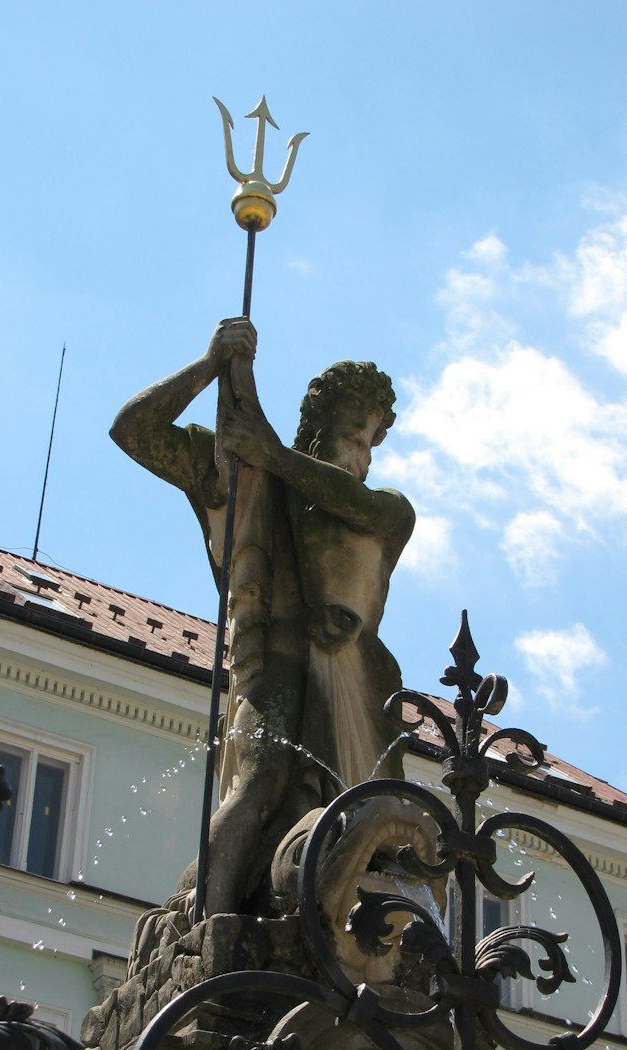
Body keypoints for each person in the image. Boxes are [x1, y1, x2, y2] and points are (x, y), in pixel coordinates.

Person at [111, 318, 415, 923]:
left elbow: (353, 503)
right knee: (260, 781)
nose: (364, 445)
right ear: (322, 422)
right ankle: (208, 928)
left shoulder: (385, 510)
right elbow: (134, 431)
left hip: (357, 691)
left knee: (377, 826)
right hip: (271, 663)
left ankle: (361, 928)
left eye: (373, 438)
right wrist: (209, 365)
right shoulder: (242, 473)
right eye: (354, 428)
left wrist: (271, 452)